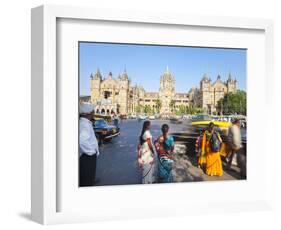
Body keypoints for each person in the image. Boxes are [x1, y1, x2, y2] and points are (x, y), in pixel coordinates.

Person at [79, 103, 100, 187]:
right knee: (87, 179)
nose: (94, 113)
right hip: (87, 157)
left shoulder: (86, 123)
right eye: (93, 111)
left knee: (89, 175)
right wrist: (92, 152)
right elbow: (82, 141)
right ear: (88, 113)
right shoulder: (84, 125)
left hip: (87, 156)